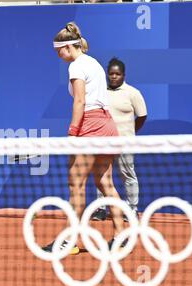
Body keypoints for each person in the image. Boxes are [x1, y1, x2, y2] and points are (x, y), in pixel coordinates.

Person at [42, 22, 126, 253]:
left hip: (90, 126)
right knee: (104, 182)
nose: (58, 55)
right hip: (107, 125)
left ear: (68, 47)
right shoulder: (94, 63)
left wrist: (72, 132)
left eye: (58, 51)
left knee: (76, 184)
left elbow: (80, 101)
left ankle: (70, 240)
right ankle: (121, 234)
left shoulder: (76, 66)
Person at [92, 58, 147, 222]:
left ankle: (132, 209)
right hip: (105, 141)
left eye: (117, 74)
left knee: (128, 175)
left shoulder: (133, 93)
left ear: (123, 75)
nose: (114, 76)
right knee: (102, 176)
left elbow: (142, 116)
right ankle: (101, 208)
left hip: (125, 142)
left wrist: (130, 132)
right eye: (111, 74)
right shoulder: (101, 92)